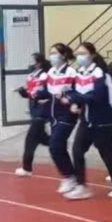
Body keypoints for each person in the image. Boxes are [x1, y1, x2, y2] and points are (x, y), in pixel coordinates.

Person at [64, 42, 112, 200]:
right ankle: (81, 186)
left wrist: (77, 99)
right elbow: (74, 92)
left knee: (107, 153)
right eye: (78, 54)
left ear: (92, 55)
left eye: (83, 53)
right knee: (77, 150)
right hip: (86, 120)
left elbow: (97, 96)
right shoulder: (80, 73)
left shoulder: (100, 74)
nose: (80, 56)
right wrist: (76, 103)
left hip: (103, 120)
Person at [45, 43, 80, 195]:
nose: (52, 56)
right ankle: (69, 176)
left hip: (67, 113)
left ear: (63, 55)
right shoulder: (51, 71)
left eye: (55, 53)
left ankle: (70, 176)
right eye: (50, 53)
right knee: (59, 147)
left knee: (55, 145)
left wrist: (70, 99)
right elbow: (48, 92)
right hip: (54, 114)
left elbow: (78, 92)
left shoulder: (72, 72)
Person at [14, 52, 51, 177]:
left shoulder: (44, 76)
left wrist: (41, 97)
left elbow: (46, 92)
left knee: (30, 140)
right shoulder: (31, 75)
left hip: (41, 111)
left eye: (33, 61)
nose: (31, 63)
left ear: (39, 63)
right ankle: (58, 143)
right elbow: (30, 93)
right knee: (43, 139)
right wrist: (22, 91)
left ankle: (27, 168)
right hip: (34, 110)